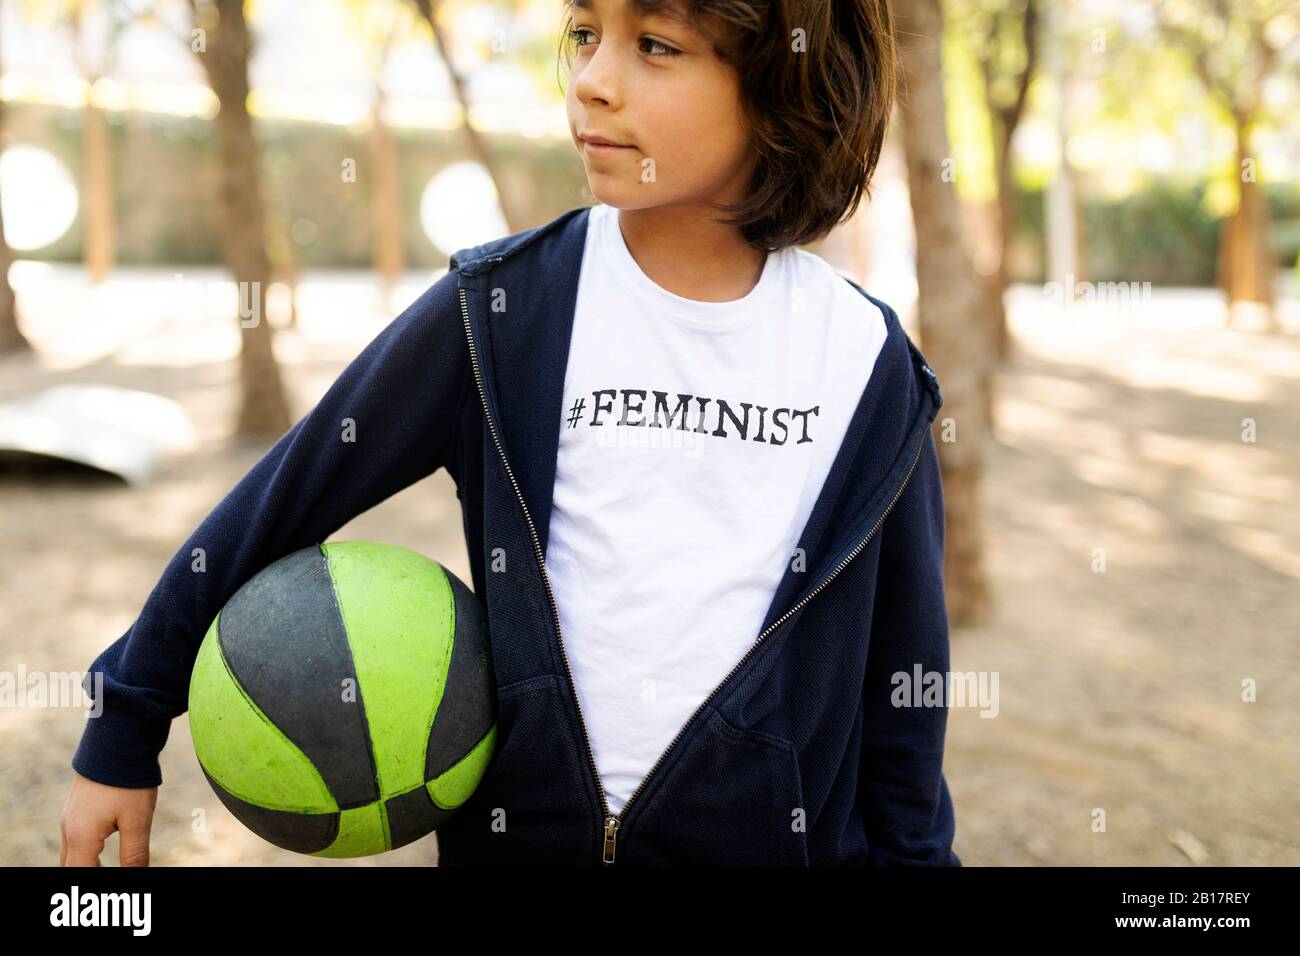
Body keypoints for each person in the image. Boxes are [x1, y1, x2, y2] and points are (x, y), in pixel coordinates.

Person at [61, 0, 959, 866]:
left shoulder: (869, 366)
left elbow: (903, 697)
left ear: (788, 78)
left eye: (654, 44)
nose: (593, 82)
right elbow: (282, 500)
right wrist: (126, 717)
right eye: (583, 33)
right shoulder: (503, 309)